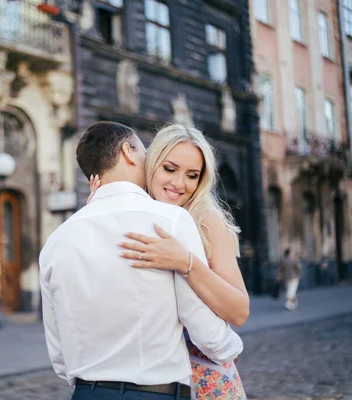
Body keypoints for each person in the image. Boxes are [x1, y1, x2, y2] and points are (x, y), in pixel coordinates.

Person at [40, 121, 243, 400]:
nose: (178, 183)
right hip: (161, 387)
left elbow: (59, 351)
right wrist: (230, 350)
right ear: (131, 154)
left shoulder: (57, 239)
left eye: (192, 175)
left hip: (91, 391)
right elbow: (204, 328)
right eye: (169, 168)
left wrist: (186, 261)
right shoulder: (170, 221)